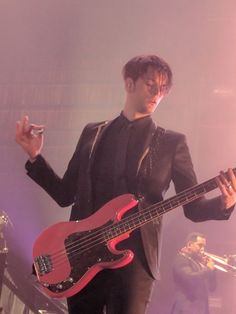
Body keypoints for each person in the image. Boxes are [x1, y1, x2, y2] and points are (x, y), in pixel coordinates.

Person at [15, 54, 236, 314]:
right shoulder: (92, 133)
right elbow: (65, 194)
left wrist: (225, 203)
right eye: (150, 84)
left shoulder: (172, 143)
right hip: (81, 257)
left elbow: (193, 208)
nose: (157, 94)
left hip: (135, 263)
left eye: (163, 89)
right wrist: (34, 156)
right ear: (129, 83)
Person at [171, 232, 217, 314]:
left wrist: (212, 271)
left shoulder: (197, 262)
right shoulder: (181, 259)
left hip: (201, 310)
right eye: (200, 245)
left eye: (204, 246)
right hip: (187, 309)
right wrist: (208, 269)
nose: (203, 249)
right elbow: (190, 278)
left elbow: (212, 288)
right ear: (189, 244)